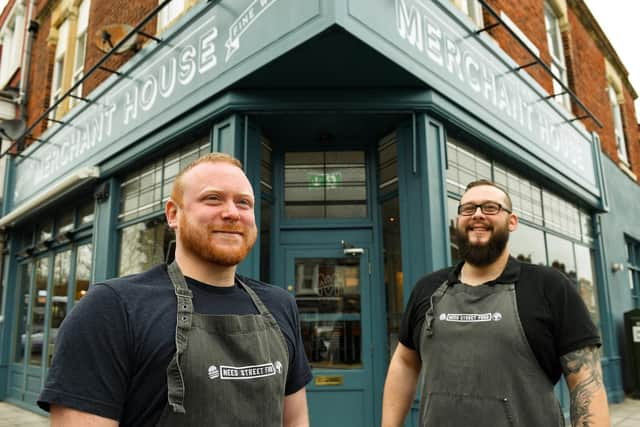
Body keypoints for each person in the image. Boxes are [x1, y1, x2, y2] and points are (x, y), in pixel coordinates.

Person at [38, 152, 312, 426]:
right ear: (173, 214)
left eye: (243, 203)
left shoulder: (280, 305)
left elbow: (295, 420)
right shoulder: (112, 308)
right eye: (213, 198)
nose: (231, 213)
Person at [382, 179, 609, 427]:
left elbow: (586, 383)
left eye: (490, 207)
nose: (477, 214)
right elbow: (405, 362)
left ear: (512, 221)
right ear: (459, 220)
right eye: (468, 209)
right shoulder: (427, 289)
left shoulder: (549, 287)